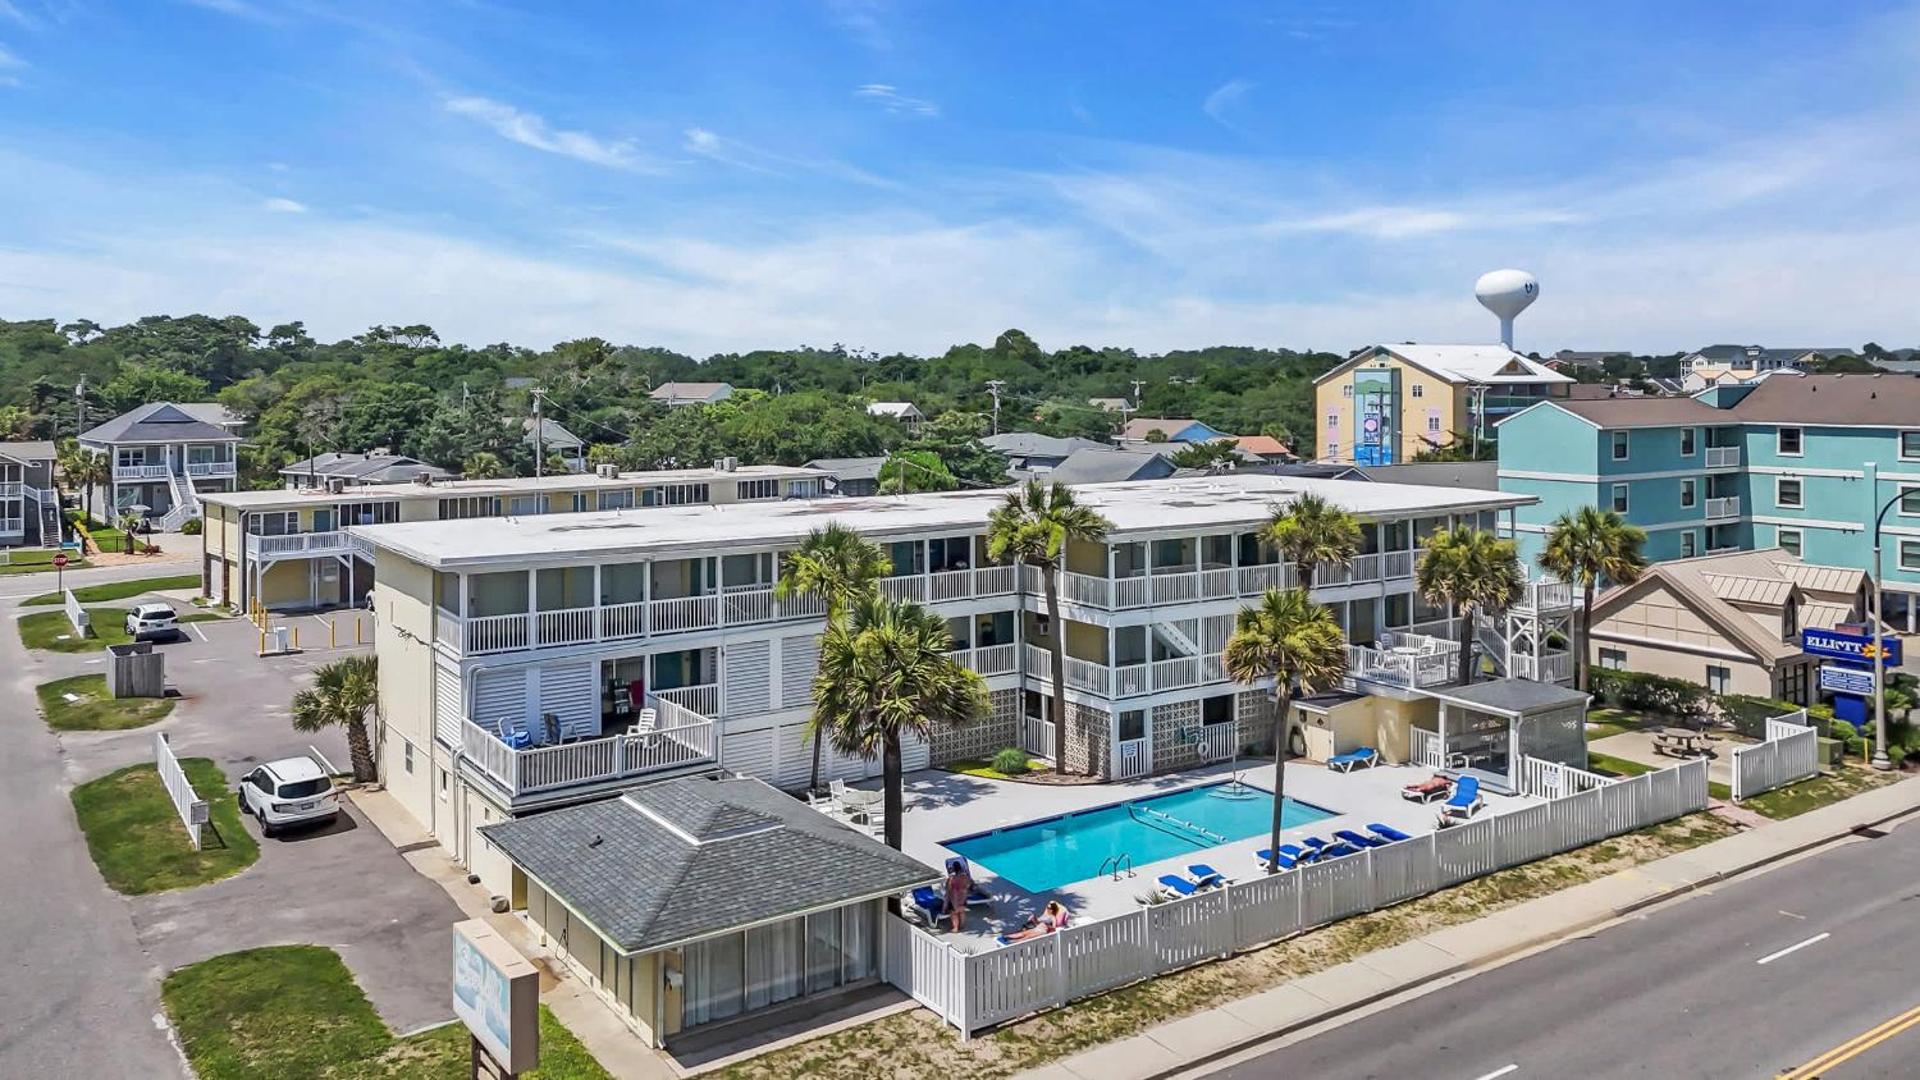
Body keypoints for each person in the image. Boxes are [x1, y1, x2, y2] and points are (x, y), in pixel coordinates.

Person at [1001, 901, 1070, 943]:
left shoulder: (1053, 917)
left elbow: (1054, 928)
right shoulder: (1044, 915)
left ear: (1053, 910)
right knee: (1023, 933)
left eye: (1050, 908)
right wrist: (1034, 918)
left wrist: (1047, 925)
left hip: (1043, 930)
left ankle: (1011, 943)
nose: (1048, 909)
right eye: (1048, 908)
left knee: (1026, 937)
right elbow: (1037, 922)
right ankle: (1006, 937)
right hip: (1037, 928)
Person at [944, 863, 973, 932]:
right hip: (963, 896)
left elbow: (949, 889)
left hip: (954, 897)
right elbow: (968, 885)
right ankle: (962, 925)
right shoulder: (965, 877)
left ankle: (955, 928)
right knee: (962, 911)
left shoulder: (952, 879)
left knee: (954, 913)